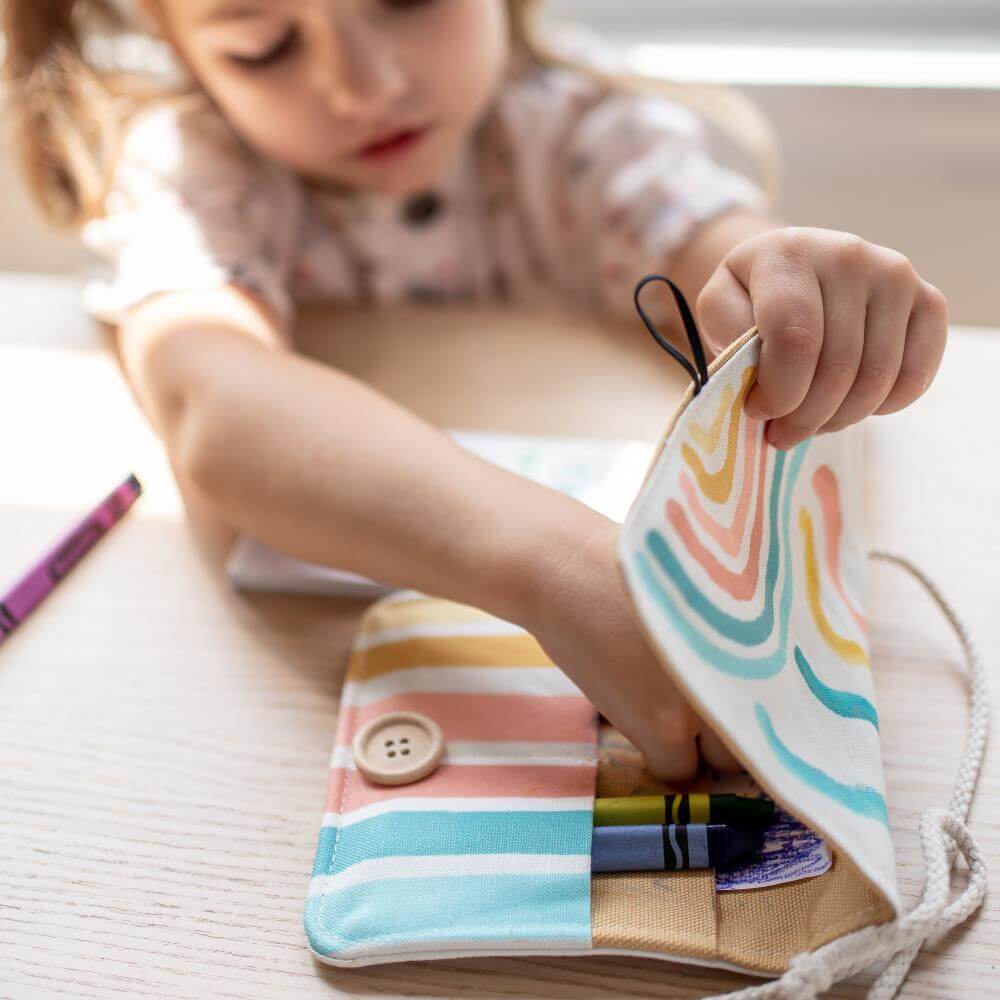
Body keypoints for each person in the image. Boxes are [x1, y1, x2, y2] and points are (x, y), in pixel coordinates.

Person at [3, 0, 947, 782]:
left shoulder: (579, 134)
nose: (362, 87)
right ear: (177, 44)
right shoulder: (191, 167)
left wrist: (796, 287)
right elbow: (219, 398)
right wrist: (560, 563)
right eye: (265, 44)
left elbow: (724, 272)